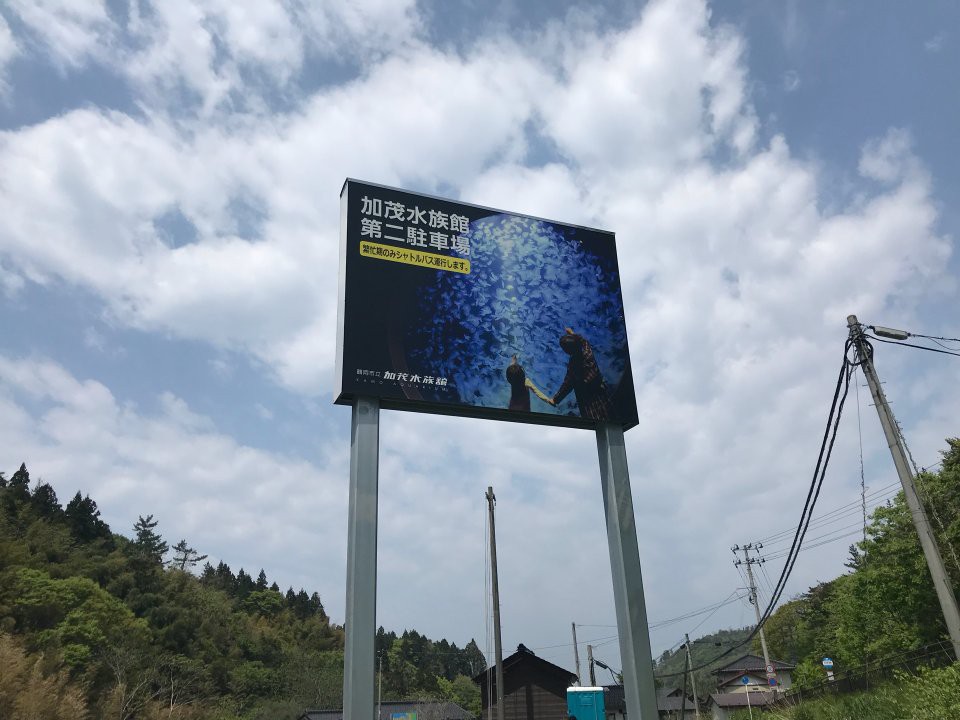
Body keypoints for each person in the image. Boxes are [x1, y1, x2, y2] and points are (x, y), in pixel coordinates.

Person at [550, 328, 612, 420]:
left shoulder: (573, 367)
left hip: (589, 403)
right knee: (608, 414)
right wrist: (573, 334)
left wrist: (555, 400)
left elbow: (567, 385)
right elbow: (584, 342)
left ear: (567, 352)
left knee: (595, 420)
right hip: (601, 394)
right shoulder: (587, 353)